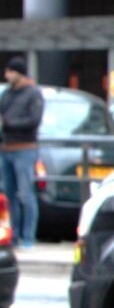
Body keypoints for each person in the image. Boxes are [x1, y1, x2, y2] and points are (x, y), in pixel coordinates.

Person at [0, 56, 43, 247]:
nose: (7, 75)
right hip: (6, 149)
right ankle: (14, 235)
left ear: (19, 73)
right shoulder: (7, 94)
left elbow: (33, 120)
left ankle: (28, 237)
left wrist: (9, 124)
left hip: (25, 149)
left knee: (26, 194)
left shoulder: (33, 94)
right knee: (9, 195)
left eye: (10, 72)